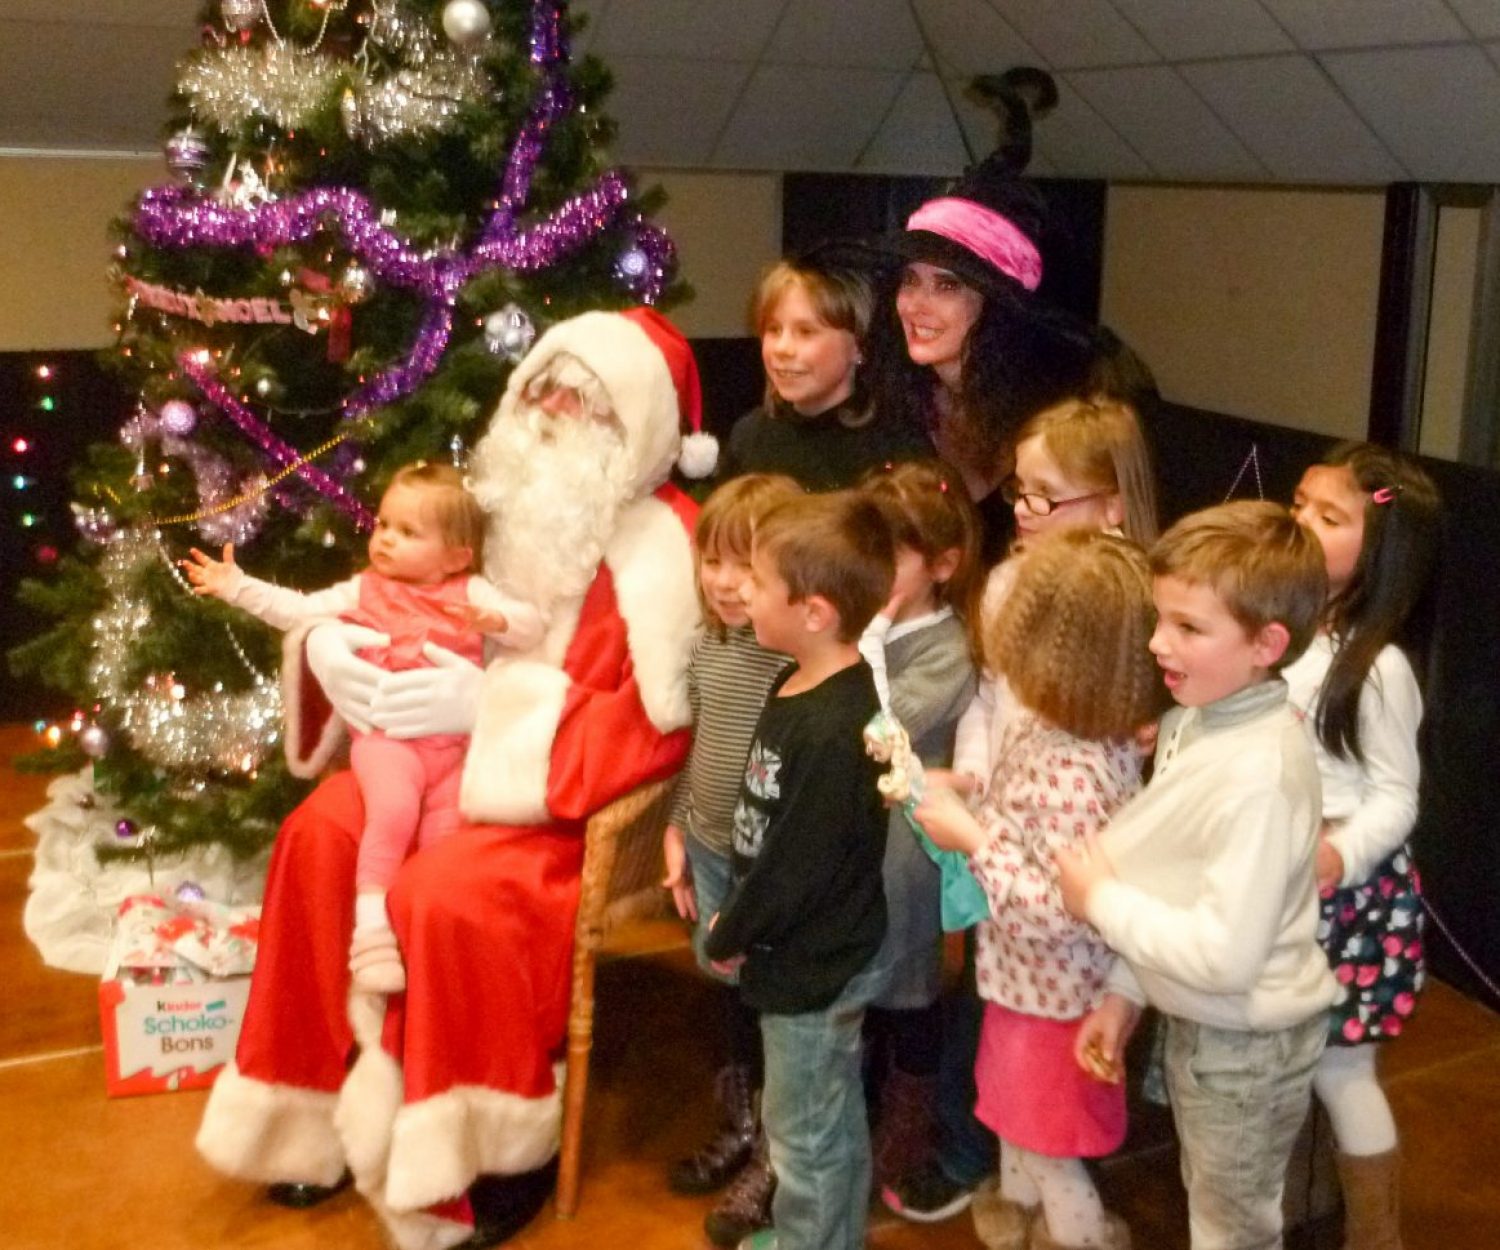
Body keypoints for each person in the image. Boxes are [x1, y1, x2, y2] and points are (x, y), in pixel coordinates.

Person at [196, 307, 714, 1250]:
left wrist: (490, 713)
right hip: (428, 757)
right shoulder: (495, 510)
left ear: (637, 427)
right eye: (544, 390)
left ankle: (477, 1157)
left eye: (585, 401)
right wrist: (335, 657)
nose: (555, 412)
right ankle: (311, 1119)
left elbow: (653, 728)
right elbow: (386, 602)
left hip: (554, 802)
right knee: (317, 838)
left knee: (445, 894)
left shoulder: (662, 549)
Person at [882, 396, 1159, 1225]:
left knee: (1046, 1138)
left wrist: (974, 836)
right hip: (1016, 944)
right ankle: (1011, 1204)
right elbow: (992, 699)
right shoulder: (1023, 595)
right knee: (1017, 1114)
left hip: (1051, 977)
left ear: (1111, 505)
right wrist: (973, 783)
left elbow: (1056, 907)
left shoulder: (1086, 742)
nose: (1026, 512)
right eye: (1021, 493)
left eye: (1048, 496)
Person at [1057, 501, 1340, 1250]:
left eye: (1189, 627)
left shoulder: (1255, 776)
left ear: (1265, 644)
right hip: (1209, 1026)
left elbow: (1223, 955)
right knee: (1212, 1207)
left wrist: (1101, 900)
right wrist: (1125, 993)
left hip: (1245, 1044)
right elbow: (1175, 874)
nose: (1158, 644)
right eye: (1160, 619)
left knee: (1232, 1230)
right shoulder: (1200, 721)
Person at [181, 462, 545, 995]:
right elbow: (300, 611)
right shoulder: (366, 590)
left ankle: (423, 935)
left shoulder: (473, 592)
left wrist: (499, 623)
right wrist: (237, 587)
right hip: (389, 740)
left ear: (457, 556)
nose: (387, 541)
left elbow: (533, 624)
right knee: (394, 810)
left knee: (445, 837)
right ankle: (371, 934)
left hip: (455, 750)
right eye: (383, 526)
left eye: (408, 533)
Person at [701, 490, 895, 1250]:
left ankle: (811, 1239)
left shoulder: (830, 723)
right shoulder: (803, 679)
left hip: (810, 964)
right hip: (803, 948)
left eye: (757, 579)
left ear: (813, 611)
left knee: (803, 1131)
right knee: (826, 1114)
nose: (741, 590)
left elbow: (795, 868)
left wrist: (731, 930)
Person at [1287, 443, 1441, 1250]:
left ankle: (1377, 1236)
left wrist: (1338, 856)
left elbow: (1396, 795)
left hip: (1344, 901)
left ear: (1380, 551)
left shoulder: (1376, 669)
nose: (1301, 522)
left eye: (1330, 516)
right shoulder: (1284, 625)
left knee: (1341, 1073)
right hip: (1276, 889)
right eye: (1300, 503)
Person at [660, 472, 801, 1248]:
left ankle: (776, 1158)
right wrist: (679, 828)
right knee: (730, 997)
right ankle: (740, 1123)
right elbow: (701, 748)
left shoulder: (790, 662)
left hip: (768, 870)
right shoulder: (711, 648)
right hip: (710, 851)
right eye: (711, 561)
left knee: (777, 1010)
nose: (723, 582)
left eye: (745, 567)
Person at [869, 152, 1094, 562]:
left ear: (995, 307)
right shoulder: (896, 410)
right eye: (910, 280)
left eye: (947, 286)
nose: (916, 304)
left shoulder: (1050, 425)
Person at [854, 460, 981, 1185]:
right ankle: (862, 1105)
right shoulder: (859, 625)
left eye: (890, 553)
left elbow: (878, 729)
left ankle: (909, 1115)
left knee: (909, 985)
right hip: (852, 836)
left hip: (907, 845)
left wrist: (865, 639)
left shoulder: (948, 648)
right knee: (858, 984)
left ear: (942, 564)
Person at [719, 256, 929, 490]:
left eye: (806, 332)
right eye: (774, 330)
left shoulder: (895, 450)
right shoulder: (750, 438)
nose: (782, 348)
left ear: (858, 346)